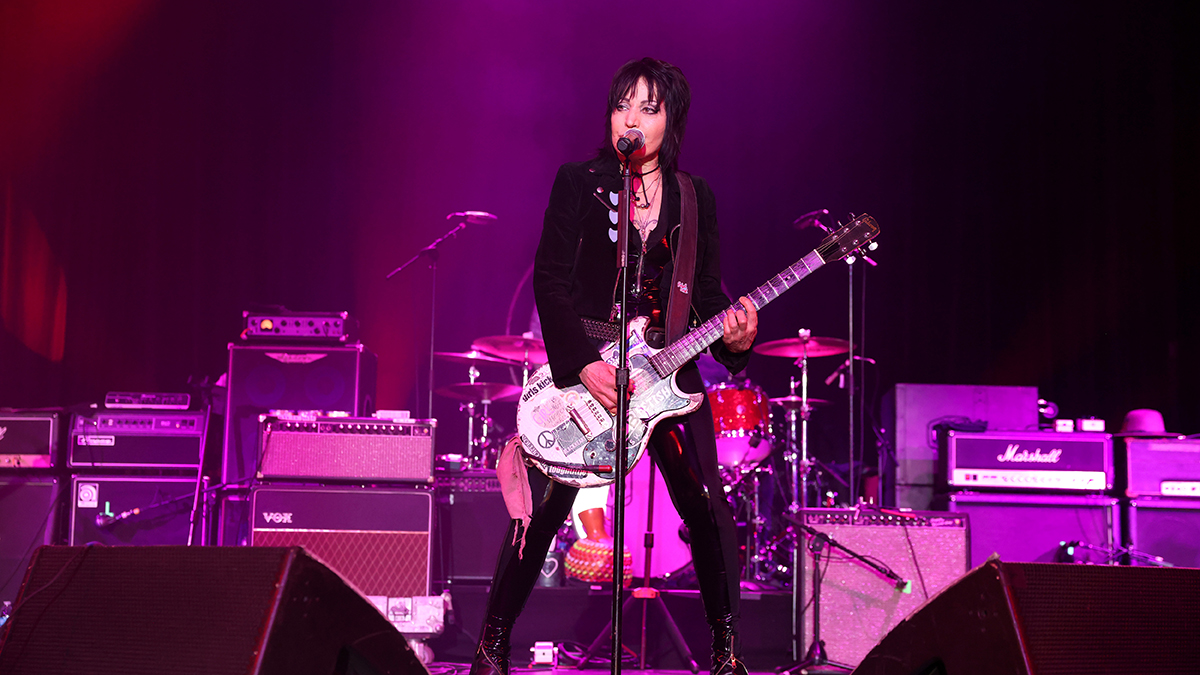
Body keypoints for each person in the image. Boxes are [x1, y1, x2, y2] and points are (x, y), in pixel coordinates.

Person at [471, 57, 758, 675]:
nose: (631, 119)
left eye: (647, 108)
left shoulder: (694, 196)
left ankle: (726, 650)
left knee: (707, 504)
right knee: (544, 506)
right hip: (589, 368)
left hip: (669, 376)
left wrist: (736, 337)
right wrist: (579, 364)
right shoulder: (578, 181)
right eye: (622, 105)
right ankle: (492, 645)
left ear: (670, 120)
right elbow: (550, 279)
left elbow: (706, 297)